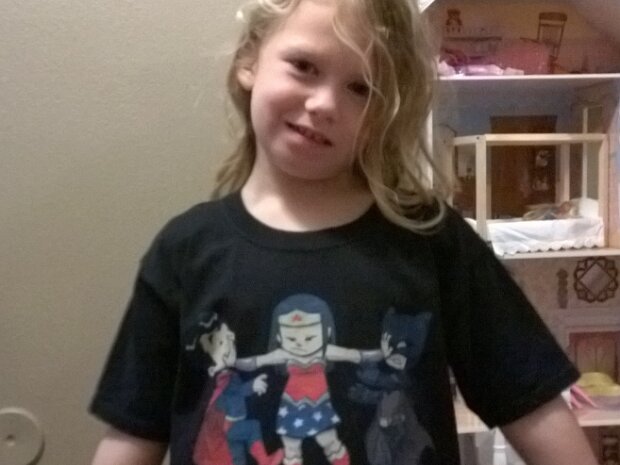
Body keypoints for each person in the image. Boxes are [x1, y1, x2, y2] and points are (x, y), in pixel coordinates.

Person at [89, 0, 598, 464]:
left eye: (362, 88)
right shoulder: (184, 250)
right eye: (304, 66)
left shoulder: (430, 238)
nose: (325, 104)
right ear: (249, 60)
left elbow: (533, 406)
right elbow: (133, 435)